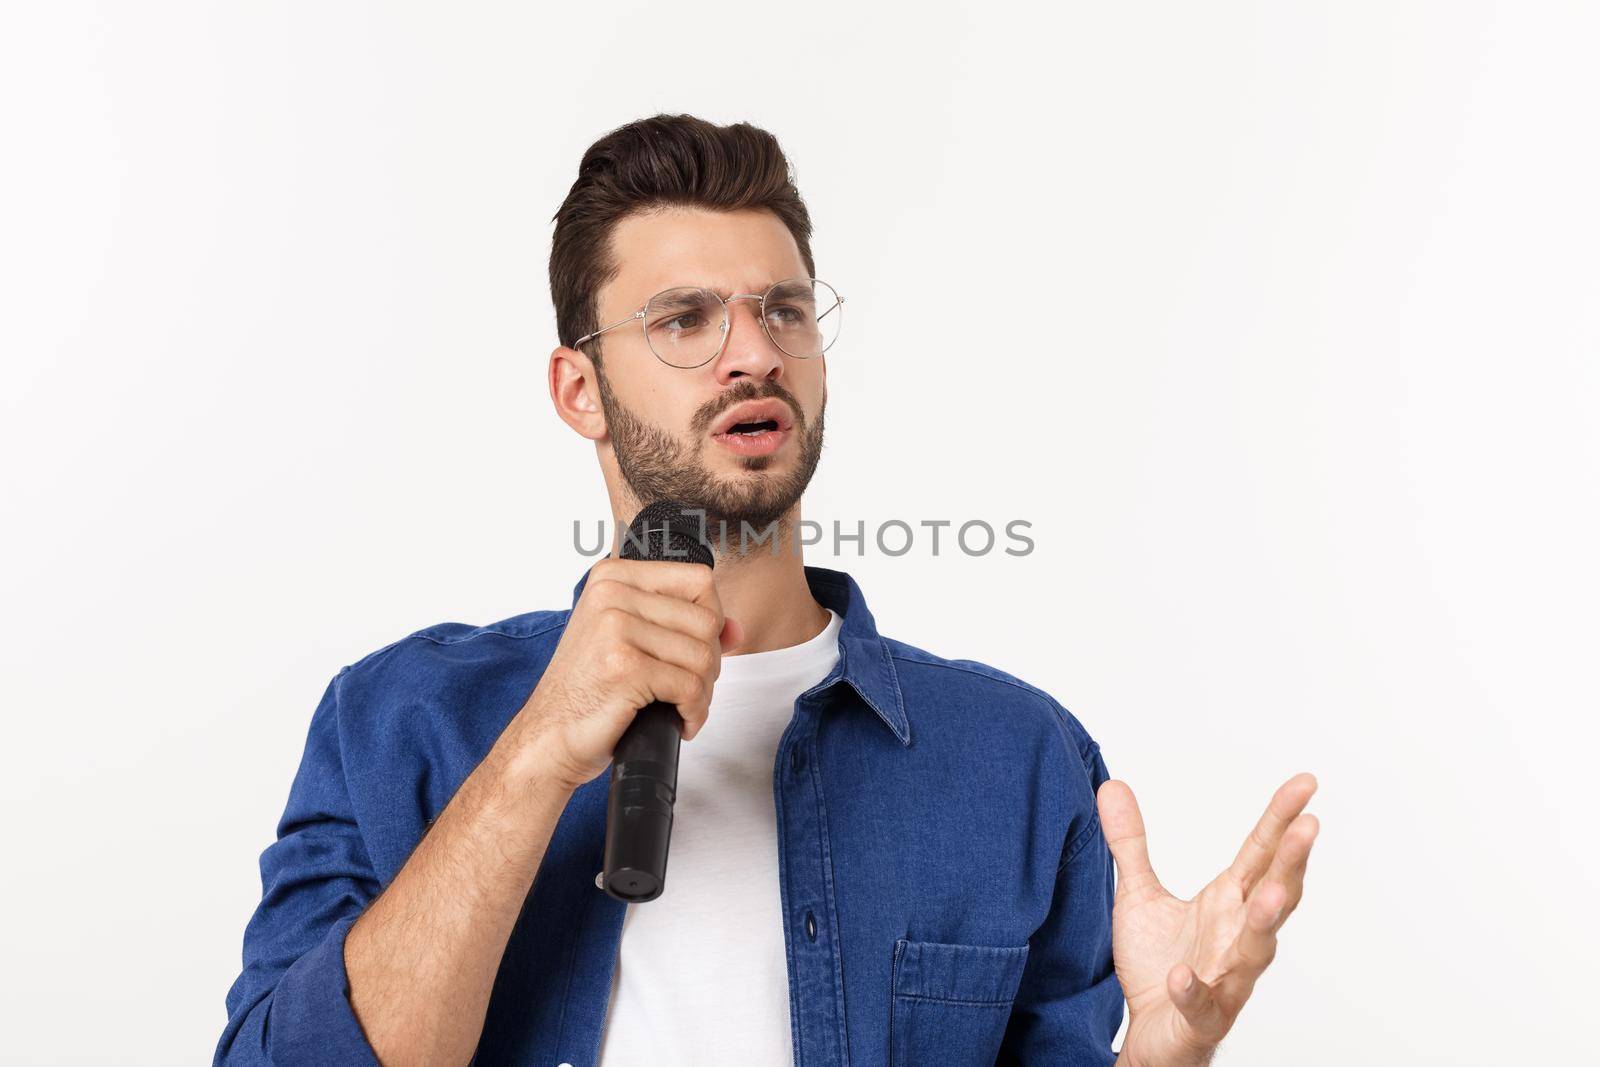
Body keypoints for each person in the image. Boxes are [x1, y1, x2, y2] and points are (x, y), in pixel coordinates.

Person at [215, 113, 1319, 1067]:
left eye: (784, 311)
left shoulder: (1016, 760)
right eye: (684, 320)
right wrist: (538, 751)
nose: (753, 353)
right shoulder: (397, 720)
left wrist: (1166, 1049)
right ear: (579, 390)